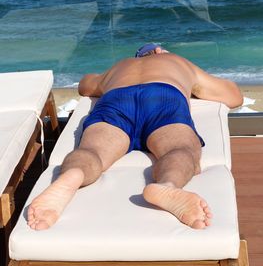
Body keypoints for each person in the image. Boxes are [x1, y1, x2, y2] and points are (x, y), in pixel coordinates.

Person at [27, 43, 243, 231]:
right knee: (181, 150)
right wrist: (189, 82)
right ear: (159, 51)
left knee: (91, 152)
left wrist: (106, 77)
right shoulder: (175, 61)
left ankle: (72, 176)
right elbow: (234, 97)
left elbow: (85, 86)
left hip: (117, 97)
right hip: (162, 96)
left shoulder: (120, 66)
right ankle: (168, 185)